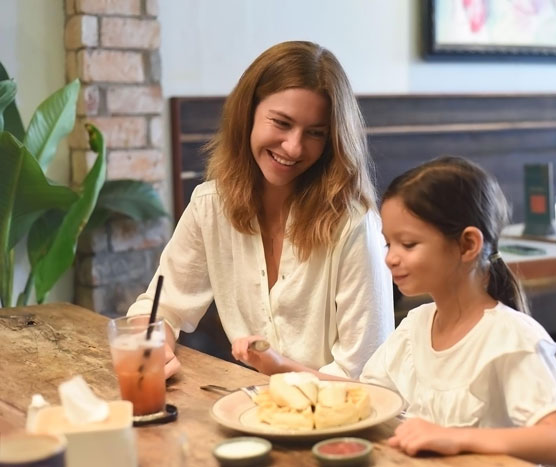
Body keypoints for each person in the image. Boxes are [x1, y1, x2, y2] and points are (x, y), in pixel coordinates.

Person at [127, 41, 394, 380]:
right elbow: (160, 309)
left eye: (315, 133)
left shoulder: (354, 225)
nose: (294, 147)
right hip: (255, 409)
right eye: (281, 123)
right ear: (248, 113)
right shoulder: (210, 206)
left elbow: (368, 379)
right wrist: (150, 344)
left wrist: (282, 370)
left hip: (341, 421)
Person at [361, 157, 556, 464]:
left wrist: (454, 437)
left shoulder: (511, 336)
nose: (390, 259)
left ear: (467, 245)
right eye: (388, 245)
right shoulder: (415, 325)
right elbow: (368, 397)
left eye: (408, 244)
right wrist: (284, 369)